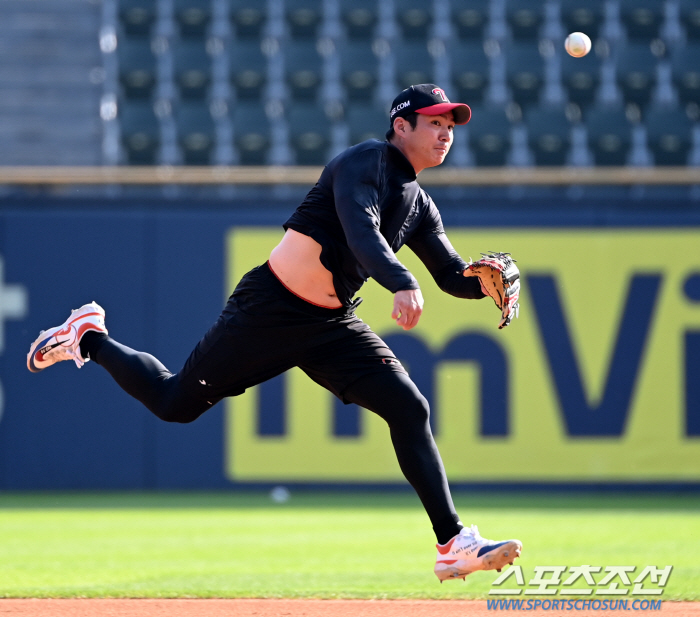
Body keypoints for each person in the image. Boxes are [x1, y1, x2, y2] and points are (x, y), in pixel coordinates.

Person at [27, 84, 521, 582]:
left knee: (409, 407)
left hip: (331, 324)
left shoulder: (419, 204)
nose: (445, 134)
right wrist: (400, 280)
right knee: (172, 403)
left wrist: (485, 282)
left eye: (450, 126)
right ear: (401, 126)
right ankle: (89, 337)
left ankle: (453, 543)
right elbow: (359, 230)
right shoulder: (364, 162)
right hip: (271, 308)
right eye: (434, 122)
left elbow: (451, 275)